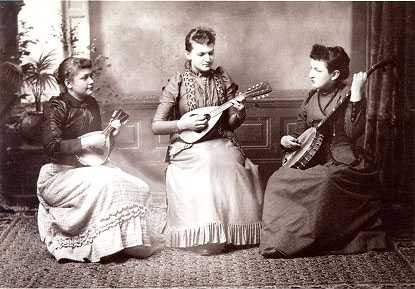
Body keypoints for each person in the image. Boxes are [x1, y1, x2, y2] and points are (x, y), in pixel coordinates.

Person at [260, 44, 387, 258]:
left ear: (335, 74)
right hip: (313, 159)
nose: (310, 74)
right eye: (311, 68)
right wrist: (287, 141)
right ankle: (279, 240)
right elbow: (302, 133)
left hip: (343, 161)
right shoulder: (311, 97)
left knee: (326, 180)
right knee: (277, 179)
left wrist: (356, 94)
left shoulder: (348, 95)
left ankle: (304, 241)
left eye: (317, 70)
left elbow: (353, 132)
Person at [152, 26, 263, 255]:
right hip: (188, 146)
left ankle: (232, 233)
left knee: (227, 161)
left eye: (211, 52)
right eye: (201, 53)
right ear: (188, 54)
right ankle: (206, 237)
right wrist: (184, 124)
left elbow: (230, 123)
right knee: (207, 161)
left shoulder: (223, 79)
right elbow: (156, 125)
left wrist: (239, 112)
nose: (208, 58)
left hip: (221, 140)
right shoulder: (178, 82)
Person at [37, 57, 157, 262]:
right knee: (106, 183)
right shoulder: (56, 106)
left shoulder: (91, 103)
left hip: (91, 167)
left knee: (138, 186)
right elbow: (51, 146)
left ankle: (127, 241)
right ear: (68, 83)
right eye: (85, 77)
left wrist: (112, 135)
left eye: (92, 75)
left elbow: (98, 152)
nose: (91, 81)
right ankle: (103, 245)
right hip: (59, 175)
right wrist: (83, 143)